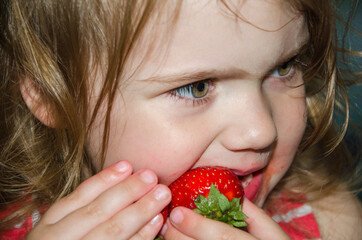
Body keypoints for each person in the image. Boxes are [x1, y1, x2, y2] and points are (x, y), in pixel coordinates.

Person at [0, 0, 361, 239]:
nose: (261, 130)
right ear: (53, 95)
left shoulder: (333, 223)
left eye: (284, 67)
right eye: (197, 88)